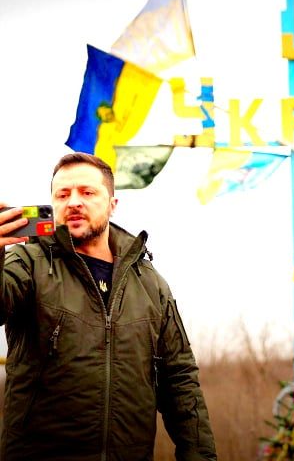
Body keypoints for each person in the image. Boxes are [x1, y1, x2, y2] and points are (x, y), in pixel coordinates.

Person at [0, 152, 217, 461]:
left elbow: (180, 379)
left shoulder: (150, 283)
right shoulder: (26, 262)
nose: (74, 202)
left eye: (87, 192)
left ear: (112, 204)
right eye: (63, 194)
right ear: (51, 206)